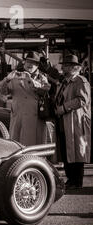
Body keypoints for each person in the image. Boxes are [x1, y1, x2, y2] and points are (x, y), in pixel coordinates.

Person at [0, 51, 51, 146]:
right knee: (17, 144)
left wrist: (30, 80)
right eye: (28, 62)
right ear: (24, 63)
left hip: (35, 116)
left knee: (34, 144)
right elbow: (1, 91)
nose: (30, 65)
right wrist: (7, 79)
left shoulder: (42, 78)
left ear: (37, 65)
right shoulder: (15, 76)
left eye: (33, 63)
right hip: (18, 116)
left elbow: (45, 90)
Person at [54, 54, 91, 189]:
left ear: (74, 68)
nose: (63, 68)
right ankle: (70, 179)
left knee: (76, 151)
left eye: (66, 66)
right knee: (66, 150)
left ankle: (76, 181)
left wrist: (64, 108)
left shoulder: (81, 81)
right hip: (64, 121)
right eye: (64, 66)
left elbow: (82, 100)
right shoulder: (64, 82)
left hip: (75, 121)